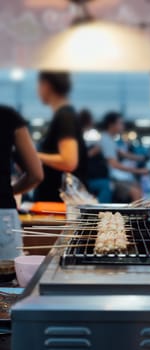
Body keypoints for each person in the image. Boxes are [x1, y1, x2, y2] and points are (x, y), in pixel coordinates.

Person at [34, 72, 87, 202]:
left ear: (46, 85)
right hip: (57, 201)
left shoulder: (65, 116)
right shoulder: (65, 115)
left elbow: (69, 161)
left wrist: (33, 156)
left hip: (59, 203)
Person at [0, 105, 43, 260]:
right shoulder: (7, 116)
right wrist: (10, 191)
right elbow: (36, 174)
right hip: (2, 212)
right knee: (7, 282)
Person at [100, 112, 148, 202]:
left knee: (138, 187)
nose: (122, 126)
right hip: (112, 179)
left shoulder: (109, 139)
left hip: (115, 177)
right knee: (136, 193)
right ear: (111, 125)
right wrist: (139, 171)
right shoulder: (107, 141)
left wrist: (142, 157)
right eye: (120, 123)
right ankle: (135, 215)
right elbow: (114, 165)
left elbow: (122, 153)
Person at [79, 109, 112, 203]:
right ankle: (100, 210)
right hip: (86, 178)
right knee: (106, 185)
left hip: (89, 176)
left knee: (106, 184)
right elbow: (80, 157)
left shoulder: (85, 136)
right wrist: (93, 152)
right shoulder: (80, 136)